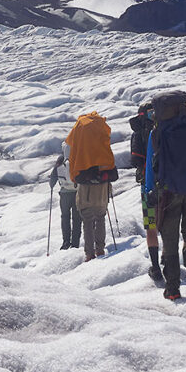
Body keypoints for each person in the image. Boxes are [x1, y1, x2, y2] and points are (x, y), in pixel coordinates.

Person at [143, 92, 186, 300]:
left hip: (167, 193)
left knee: (170, 238)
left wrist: (150, 191)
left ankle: (172, 287)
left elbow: (150, 165)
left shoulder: (157, 133)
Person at [65, 111, 118, 262]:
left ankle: (89, 254)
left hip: (86, 188)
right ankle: (100, 249)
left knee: (87, 220)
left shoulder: (80, 132)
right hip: (103, 188)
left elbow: (72, 157)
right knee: (100, 217)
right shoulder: (101, 134)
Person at [130, 102, 163, 282]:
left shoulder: (138, 133)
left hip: (147, 187)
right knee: (166, 224)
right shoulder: (164, 129)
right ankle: (169, 261)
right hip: (167, 185)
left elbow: (134, 160)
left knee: (151, 226)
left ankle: (156, 267)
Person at [49, 145, 82, 250]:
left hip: (64, 194)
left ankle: (66, 242)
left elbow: (53, 175)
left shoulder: (61, 159)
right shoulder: (79, 157)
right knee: (77, 219)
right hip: (77, 193)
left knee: (65, 217)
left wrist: (52, 185)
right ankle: (75, 243)